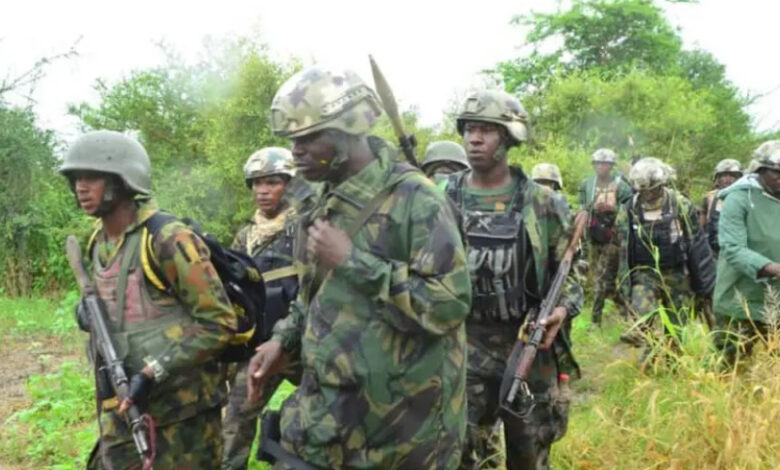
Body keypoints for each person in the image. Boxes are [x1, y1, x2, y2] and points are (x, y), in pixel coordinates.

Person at [246, 66, 472, 469]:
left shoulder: (418, 201)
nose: (296, 151)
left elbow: (449, 304)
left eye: (309, 138)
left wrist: (354, 262)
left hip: (399, 436)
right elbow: (314, 293)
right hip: (328, 424)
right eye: (293, 139)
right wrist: (283, 339)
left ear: (348, 131)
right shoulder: (321, 199)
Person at [59, 130, 238, 469]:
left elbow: (218, 323)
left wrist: (153, 371)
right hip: (125, 404)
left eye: (92, 177)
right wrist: (87, 313)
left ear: (122, 181)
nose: (81, 186)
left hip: (183, 414)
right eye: (76, 178)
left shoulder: (167, 240)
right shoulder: (100, 240)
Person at [443, 90, 582, 470]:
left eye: (486, 130)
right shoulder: (443, 197)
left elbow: (571, 273)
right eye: (470, 129)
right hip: (461, 347)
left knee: (529, 454)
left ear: (508, 137)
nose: (474, 138)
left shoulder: (542, 204)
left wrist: (560, 310)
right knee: (458, 453)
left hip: (526, 347)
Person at [222, 147, 301, 470]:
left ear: (289, 184)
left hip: (305, 344)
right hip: (261, 348)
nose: (263, 191)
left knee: (329, 421)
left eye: (272, 182)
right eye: (256, 183)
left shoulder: (306, 228)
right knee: (236, 418)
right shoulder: (246, 236)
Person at [616, 157, 701, 361]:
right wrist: (621, 282)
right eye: (643, 190)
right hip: (644, 272)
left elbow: (696, 241)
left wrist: (702, 281)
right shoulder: (629, 209)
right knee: (641, 312)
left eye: (653, 189)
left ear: (662, 185)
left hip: (677, 272)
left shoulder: (680, 205)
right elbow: (622, 247)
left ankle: (671, 362)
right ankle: (649, 352)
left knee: (676, 324)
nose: (648, 194)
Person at [713, 141, 780, 363]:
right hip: (740, 299)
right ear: (760, 170)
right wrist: (772, 268)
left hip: (775, 301)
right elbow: (733, 248)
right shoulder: (739, 198)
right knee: (729, 367)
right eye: (776, 173)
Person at [578, 148, 633, 327]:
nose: (602, 167)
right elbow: (580, 207)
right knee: (602, 282)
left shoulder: (621, 186)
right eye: (598, 163)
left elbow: (631, 209)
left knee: (602, 280)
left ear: (611, 166)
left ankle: (595, 321)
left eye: (606, 164)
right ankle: (625, 309)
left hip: (613, 239)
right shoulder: (587, 185)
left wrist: (613, 209)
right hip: (593, 237)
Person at [700, 159, 742, 255]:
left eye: (732, 175)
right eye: (724, 175)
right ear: (717, 178)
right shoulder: (709, 197)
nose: (728, 178)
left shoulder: (747, 197)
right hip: (712, 250)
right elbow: (701, 226)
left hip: (738, 250)